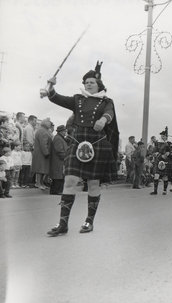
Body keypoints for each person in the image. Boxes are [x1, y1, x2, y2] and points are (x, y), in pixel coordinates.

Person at [41, 61, 119, 236]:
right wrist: (51, 86)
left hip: (97, 143)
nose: (88, 84)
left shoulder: (107, 101)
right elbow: (56, 98)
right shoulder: (77, 99)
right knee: (69, 181)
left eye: (92, 82)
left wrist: (103, 120)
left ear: (99, 84)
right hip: (77, 142)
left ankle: (89, 221)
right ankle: (63, 224)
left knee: (92, 183)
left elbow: (110, 113)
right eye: (86, 82)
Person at [31, 118, 53, 190]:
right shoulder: (42, 131)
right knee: (40, 169)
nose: (50, 124)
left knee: (43, 169)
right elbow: (43, 143)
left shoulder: (43, 130)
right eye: (49, 122)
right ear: (46, 123)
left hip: (41, 153)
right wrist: (46, 152)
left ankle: (41, 183)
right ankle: (38, 183)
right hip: (42, 153)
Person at [49, 125, 68, 195]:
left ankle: (56, 190)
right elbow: (59, 150)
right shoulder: (58, 138)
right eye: (64, 131)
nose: (65, 132)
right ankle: (56, 191)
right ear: (61, 131)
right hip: (58, 160)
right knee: (58, 176)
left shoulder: (60, 138)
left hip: (59, 160)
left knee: (59, 176)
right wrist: (65, 157)